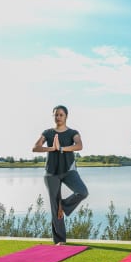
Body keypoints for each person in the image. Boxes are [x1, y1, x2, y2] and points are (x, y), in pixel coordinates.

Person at [32, 105, 88, 245]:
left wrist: (62, 148)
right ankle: (60, 241)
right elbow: (35, 147)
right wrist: (52, 148)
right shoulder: (48, 133)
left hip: (69, 171)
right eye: (56, 115)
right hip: (51, 173)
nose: (58, 117)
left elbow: (79, 145)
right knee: (54, 209)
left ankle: (62, 205)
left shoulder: (73, 132)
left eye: (61, 115)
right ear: (53, 116)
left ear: (66, 116)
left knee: (82, 192)